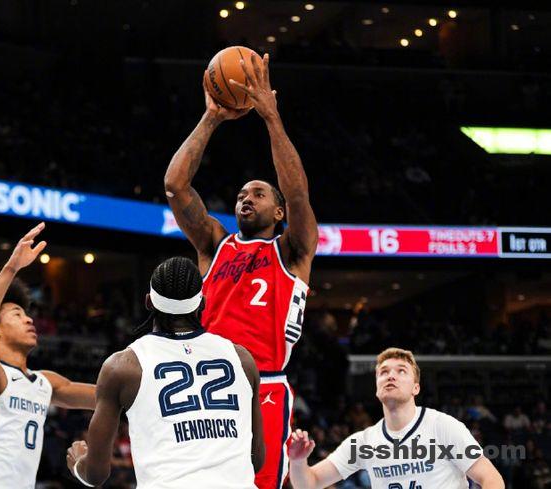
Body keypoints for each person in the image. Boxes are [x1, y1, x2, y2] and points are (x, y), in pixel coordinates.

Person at [164, 52, 318, 489]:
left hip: (263, 386)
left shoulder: (292, 250)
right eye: (240, 195)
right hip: (205, 385)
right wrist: (211, 118)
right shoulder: (215, 244)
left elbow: (298, 193)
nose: (246, 198)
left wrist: (271, 117)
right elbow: (175, 186)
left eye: (258, 194)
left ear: (279, 212)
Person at [66, 257, 265, 488]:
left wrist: (78, 463)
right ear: (202, 303)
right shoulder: (242, 359)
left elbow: (96, 475)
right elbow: (256, 460)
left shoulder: (123, 366)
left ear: (148, 302)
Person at [0, 223, 96, 489]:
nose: (29, 319)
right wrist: (11, 268)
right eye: (17, 314)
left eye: (27, 314)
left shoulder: (45, 383)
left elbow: (107, 396)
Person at [288, 348, 505, 489]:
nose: (391, 375)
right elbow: (310, 483)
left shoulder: (443, 427)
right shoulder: (364, 442)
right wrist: (297, 461)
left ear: (416, 388)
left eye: (401, 371)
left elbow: (491, 479)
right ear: (377, 388)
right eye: (384, 372)